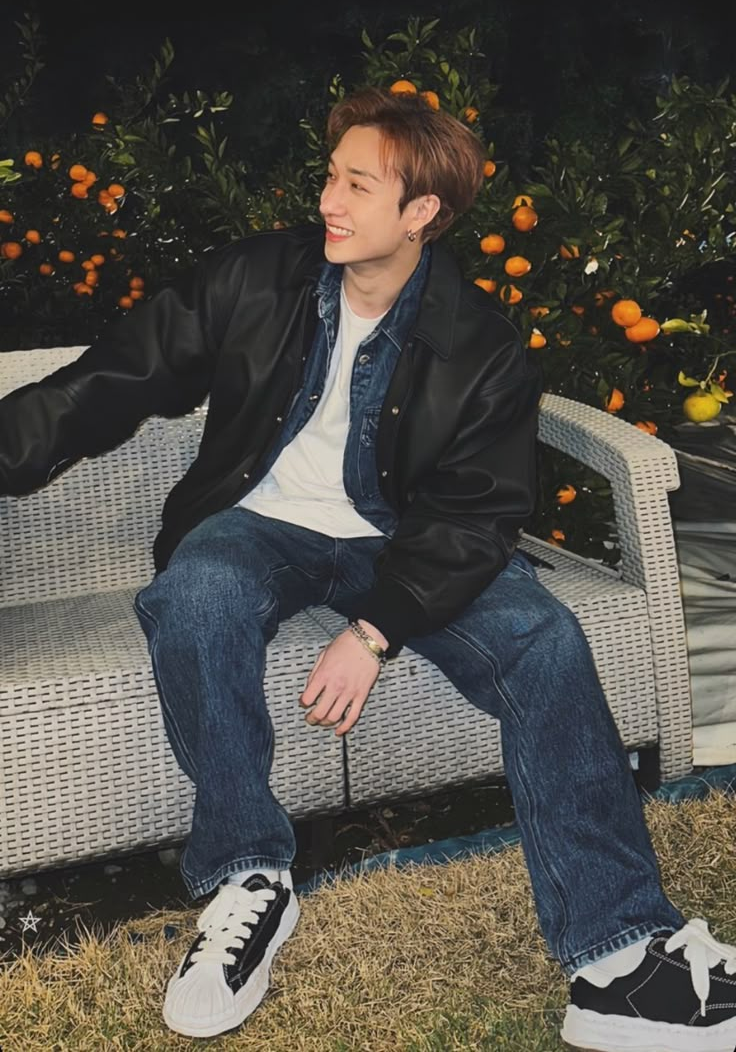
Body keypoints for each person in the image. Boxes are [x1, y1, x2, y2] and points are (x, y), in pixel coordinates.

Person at [2, 87, 735, 1050]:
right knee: (194, 591)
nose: (328, 200)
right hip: (254, 525)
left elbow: (477, 517)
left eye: (357, 183)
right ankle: (246, 880)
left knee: (546, 638)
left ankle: (617, 962)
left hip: (405, 543)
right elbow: (109, 381)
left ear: (421, 213)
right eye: (330, 175)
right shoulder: (256, 279)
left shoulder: (479, 345)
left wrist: (375, 627)